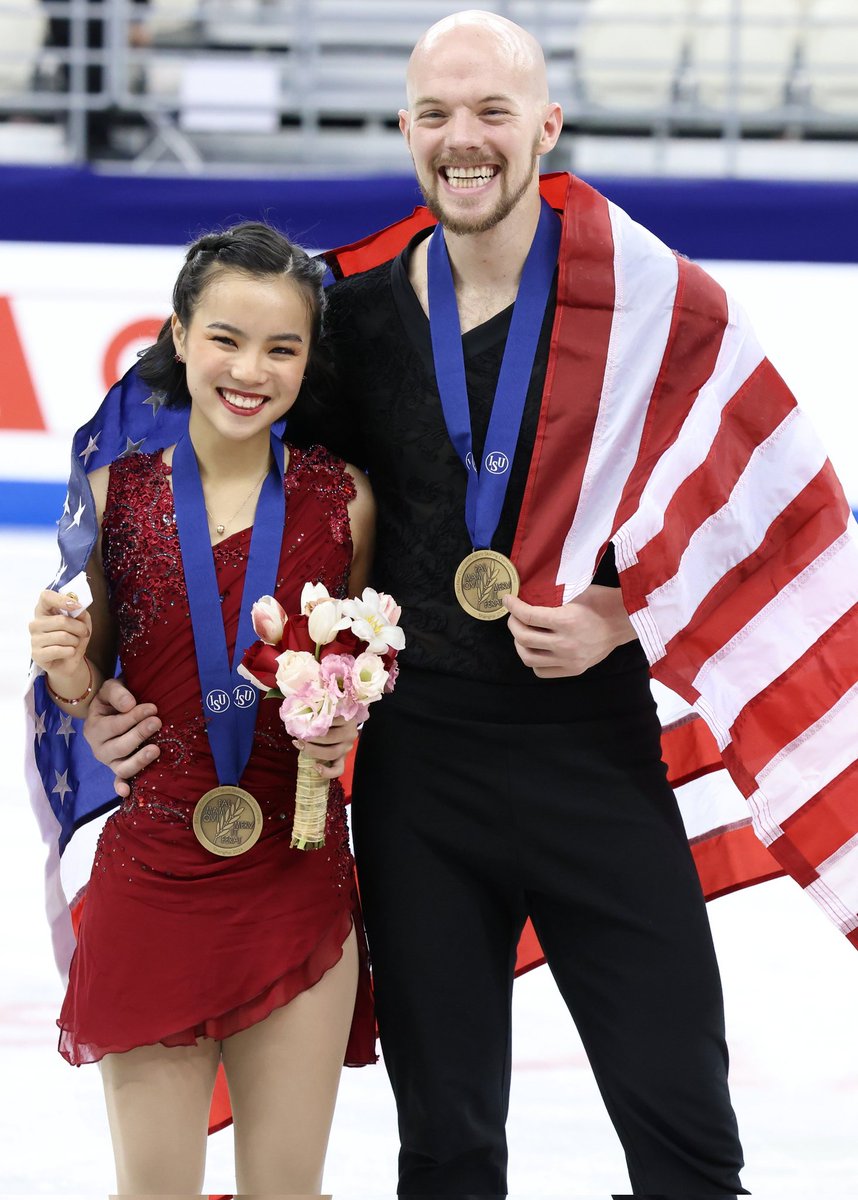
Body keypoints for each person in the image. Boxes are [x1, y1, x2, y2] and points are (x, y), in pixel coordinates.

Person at [81, 10, 858, 1199]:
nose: (465, 139)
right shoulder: (355, 324)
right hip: (420, 778)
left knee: (689, 1137)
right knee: (446, 1149)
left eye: (493, 111)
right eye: (437, 114)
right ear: (405, 130)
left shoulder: (647, 302)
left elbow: (754, 511)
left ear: (546, 125)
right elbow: (209, 502)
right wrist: (99, 691)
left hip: (591, 757)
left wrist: (622, 611)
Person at [28, 221, 376, 1195]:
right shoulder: (113, 493)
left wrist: (353, 719)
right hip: (155, 875)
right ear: (179, 336)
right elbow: (88, 681)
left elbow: (373, 663)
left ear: (311, 360)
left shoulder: (345, 504)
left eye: (282, 347)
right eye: (225, 337)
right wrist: (65, 676)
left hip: (296, 870)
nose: (250, 368)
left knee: (285, 1188)